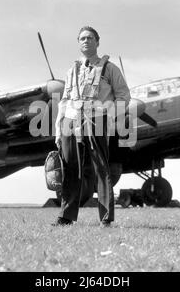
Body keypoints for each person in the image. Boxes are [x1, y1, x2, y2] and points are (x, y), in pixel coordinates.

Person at [53, 26, 131, 227]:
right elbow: (64, 101)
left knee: (101, 168)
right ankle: (66, 216)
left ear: (97, 42)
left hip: (97, 119)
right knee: (70, 168)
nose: (85, 41)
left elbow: (123, 95)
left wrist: (109, 116)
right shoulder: (71, 71)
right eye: (81, 38)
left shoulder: (110, 69)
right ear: (78, 43)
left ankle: (106, 218)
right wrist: (57, 129)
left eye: (89, 38)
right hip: (70, 121)